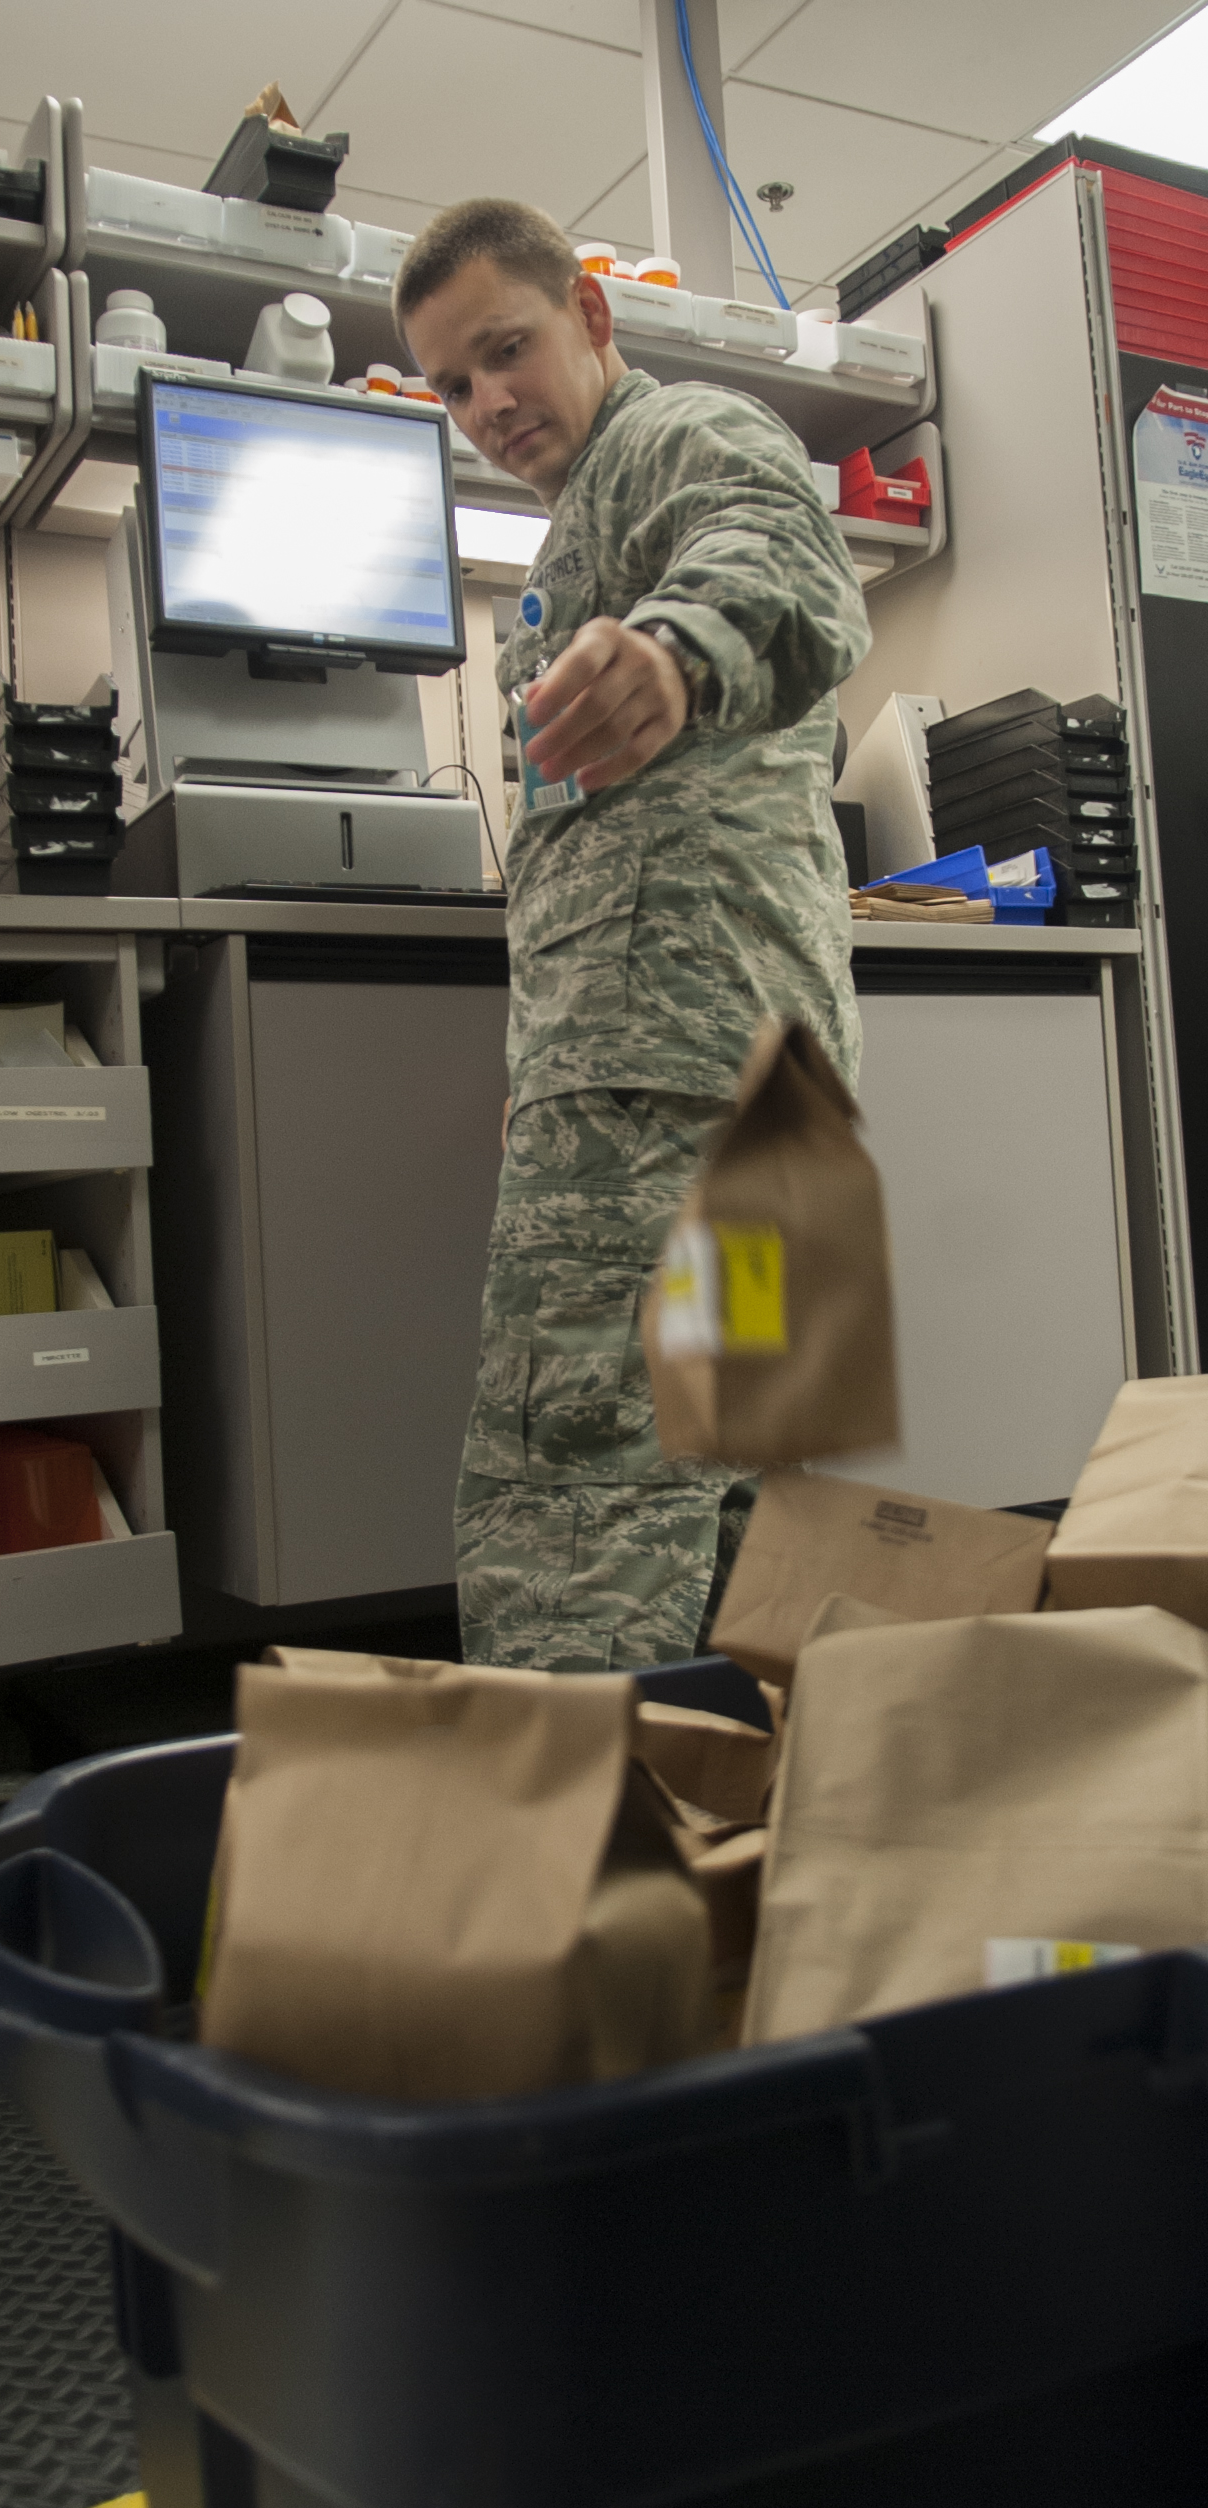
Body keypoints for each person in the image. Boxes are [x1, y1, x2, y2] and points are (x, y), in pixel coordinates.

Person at [396, 199, 871, 1671]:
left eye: (506, 351)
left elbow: (780, 551)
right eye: (453, 386)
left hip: (662, 1102)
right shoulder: (587, 521)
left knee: (581, 1512)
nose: (488, 404)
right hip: (744, 1091)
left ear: (592, 317)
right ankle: (745, 1800)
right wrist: (544, 1061)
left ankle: (590, 1813)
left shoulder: (676, 441)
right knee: (741, 1500)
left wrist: (675, 648)